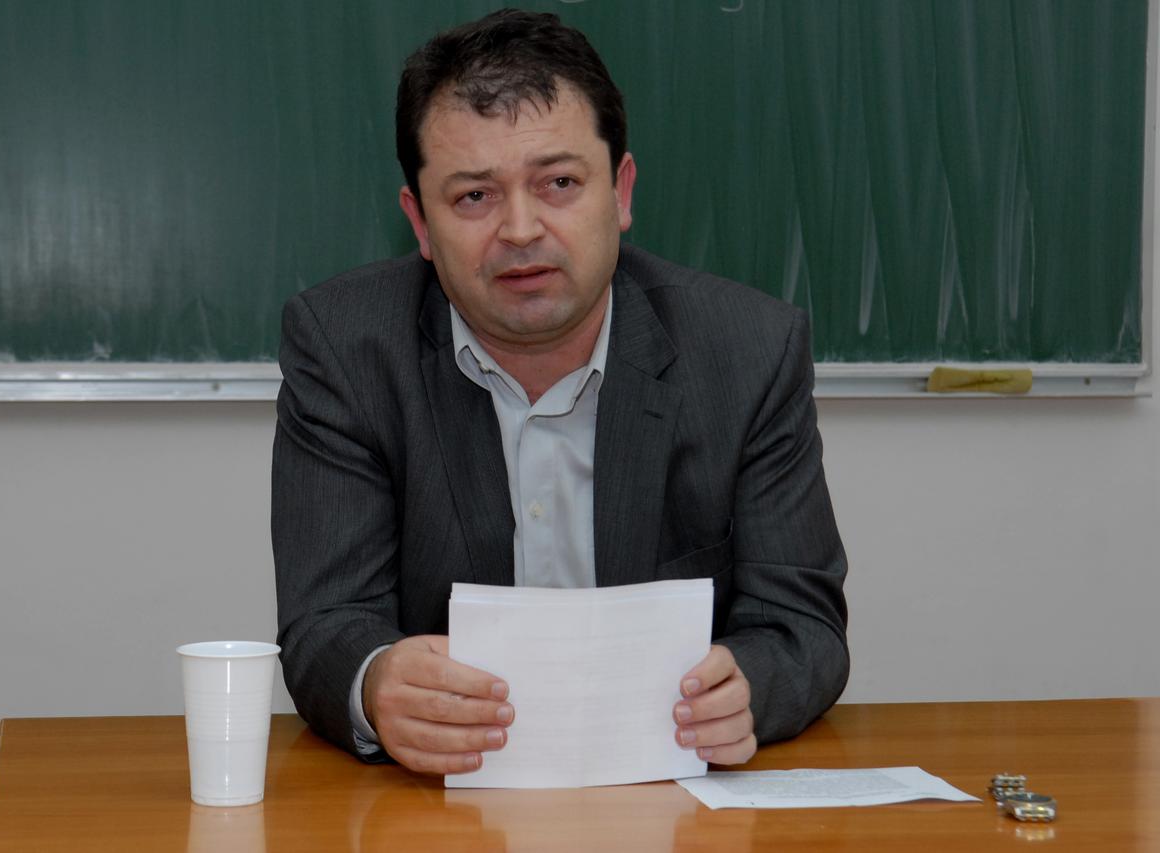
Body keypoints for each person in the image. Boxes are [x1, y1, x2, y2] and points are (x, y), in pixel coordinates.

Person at [272, 8, 848, 776]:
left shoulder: (747, 351)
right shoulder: (345, 347)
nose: (519, 228)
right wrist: (375, 683)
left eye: (560, 183)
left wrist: (750, 686)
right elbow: (325, 625)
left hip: (672, 798)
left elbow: (802, 626)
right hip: (441, 812)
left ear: (621, 191)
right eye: (473, 196)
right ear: (418, 221)